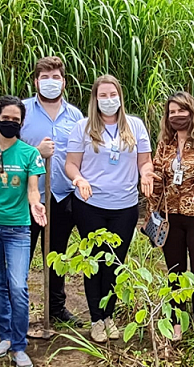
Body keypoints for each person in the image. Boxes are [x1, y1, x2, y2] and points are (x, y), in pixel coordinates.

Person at [65, 74, 155, 343]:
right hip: (90, 204)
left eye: (112, 95)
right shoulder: (82, 128)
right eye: (102, 95)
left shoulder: (135, 126)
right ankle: (95, 318)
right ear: (95, 99)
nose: (108, 100)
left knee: (115, 263)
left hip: (125, 207)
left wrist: (146, 175)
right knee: (94, 262)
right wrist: (78, 179)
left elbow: (145, 162)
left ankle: (109, 316)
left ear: (120, 97)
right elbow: (70, 164)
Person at [0, 95, 47, 367]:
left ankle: (19, 345)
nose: (10, 124)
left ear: (21, 124)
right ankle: (4, 335)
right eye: (6, 119)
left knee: (18, 285)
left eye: (15, 121)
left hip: (18, 228)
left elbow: (32, 189)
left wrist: (36, 206)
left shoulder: (29, 154)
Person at [149, 92, 194, 340]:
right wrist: (150, 183)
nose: (177, 116)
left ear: (192, 112)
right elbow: (158, 174)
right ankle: (177, 322)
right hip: (171, 215)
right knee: (175, 270)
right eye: (172, 112)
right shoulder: (165, 144)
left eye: (182, 111)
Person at [20, 56, 84, 326]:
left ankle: (57, 308)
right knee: (22, 254)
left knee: (57, 254)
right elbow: (8, 152)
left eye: (55, 77)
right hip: (27, 197)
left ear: (64, 82)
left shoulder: (76, 116)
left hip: (61, 195)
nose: (50, 82)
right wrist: (36, 153)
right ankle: (18, 312)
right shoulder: (22, 110)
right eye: (44, 77)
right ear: (36, 82)